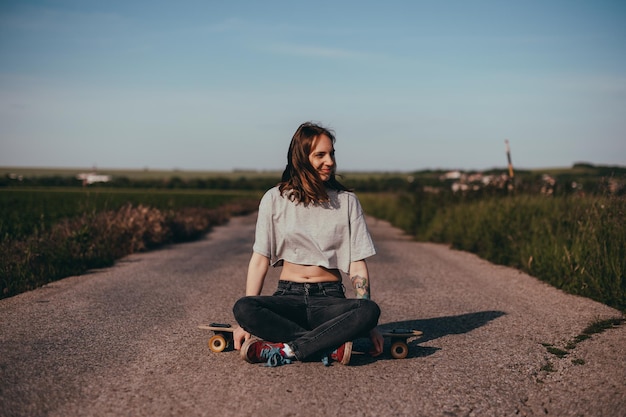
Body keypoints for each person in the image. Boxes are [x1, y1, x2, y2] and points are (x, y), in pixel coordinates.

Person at [232, 121, 384, 367]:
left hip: (330, 300)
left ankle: (286, 349)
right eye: (320, 155)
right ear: (301, 158)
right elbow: (260, 260)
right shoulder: (274, 199)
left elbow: (357, 265)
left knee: (369, 311)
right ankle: (328, 346)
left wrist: (369, 325)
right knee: (244, 307)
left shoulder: (347, 202)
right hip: (287, 297)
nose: (330, 162)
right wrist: (244, 324)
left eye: (332, 154)